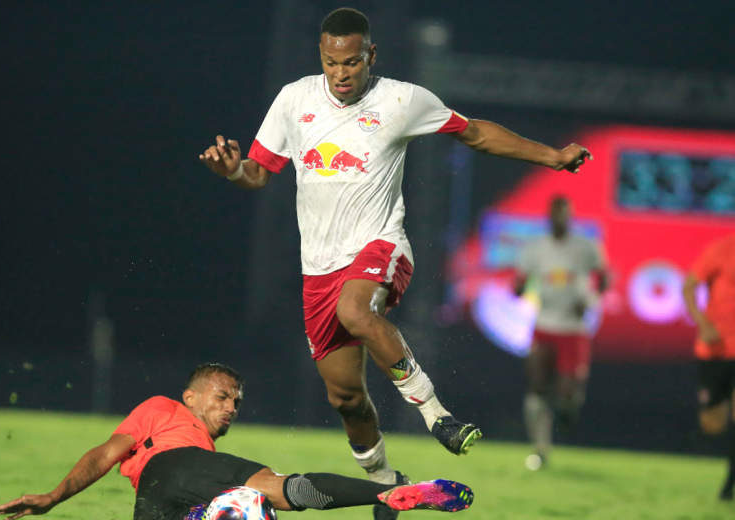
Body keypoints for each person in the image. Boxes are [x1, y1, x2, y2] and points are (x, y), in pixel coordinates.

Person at [198, 8, 591, 517]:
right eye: (332, 61)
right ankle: (388, 486)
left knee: (356, 312)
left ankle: (438, 416)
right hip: (317, 270)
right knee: (347, 401)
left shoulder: (402, 100)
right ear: (321, 54)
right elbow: (258, 173)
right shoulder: (295, 99)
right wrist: (233, 172)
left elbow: (474, 133)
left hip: (379, 245)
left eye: (352, 62)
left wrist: (552, 157)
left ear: (371, 56)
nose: (341, 73)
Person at [0, 363, 474, 520]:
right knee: (283, 489)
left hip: (153, 502)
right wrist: (54, 496)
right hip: (177, 467)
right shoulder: (165, 410)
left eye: (237, 402)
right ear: (190, 396)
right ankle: (387, 492)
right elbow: (105, 453)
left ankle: (222, 511)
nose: (231, 407)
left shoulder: (196, 439)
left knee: (247, 502)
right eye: (222, 397)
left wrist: (53, 501)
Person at [513, 196, 607, 469]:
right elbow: (520, 280)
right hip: (544, 325)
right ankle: (539, 449)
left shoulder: (585, 247)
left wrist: (590, 301)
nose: (559, 220)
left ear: (570, 216)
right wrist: (517, 288)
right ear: (549, 217)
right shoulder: (536, 248)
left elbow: (604, 277)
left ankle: (569, 408)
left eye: (564, 215)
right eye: (555, 215)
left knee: (566, 392)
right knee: (537, 386)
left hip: (573, 329)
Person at [682, 234, 735, 501]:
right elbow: (688, 287)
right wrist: (703, 324)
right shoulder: (721, 250)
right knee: (712, 425)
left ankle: (729, 483)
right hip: (715, 349)